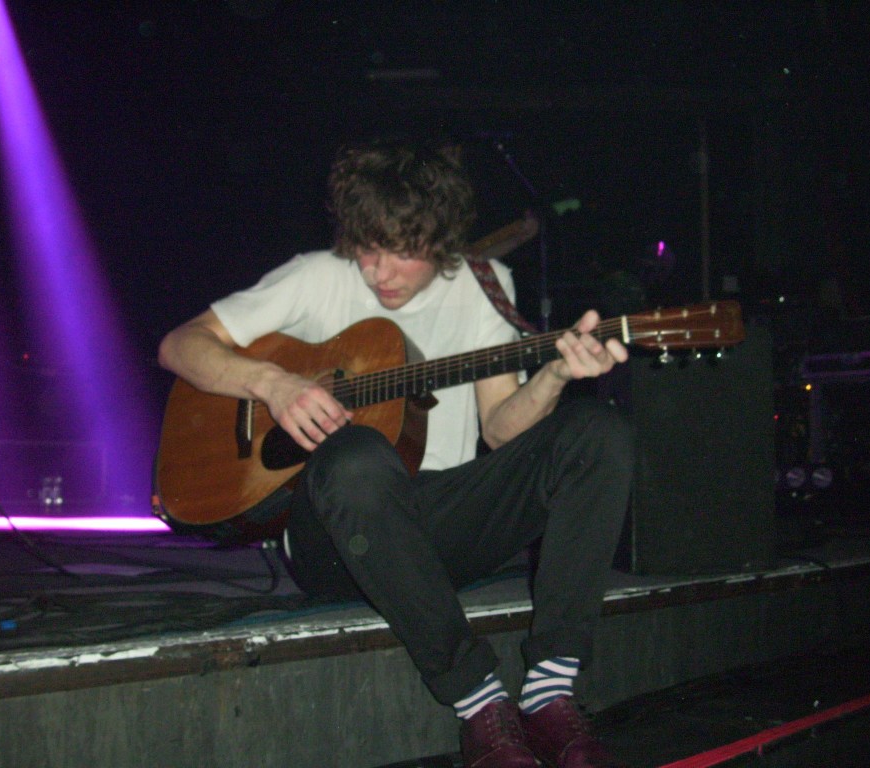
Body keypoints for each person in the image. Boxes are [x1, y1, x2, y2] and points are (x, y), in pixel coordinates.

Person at [158, 139, 634, 768]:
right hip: (335, 534)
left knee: (597, 432)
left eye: (401, 252)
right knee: (357, 453)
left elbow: (500, 430)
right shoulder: (317, 277)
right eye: (367, 247)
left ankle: (551, 693)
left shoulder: (484, 285)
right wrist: (272, 384)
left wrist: (554, 376)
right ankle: (480, 705)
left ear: (441, 245)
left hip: (438, 523)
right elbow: (180, 344)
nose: (378, 272)